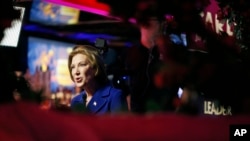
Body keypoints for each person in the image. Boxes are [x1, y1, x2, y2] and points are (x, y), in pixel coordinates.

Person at [68, 45, 128, 114]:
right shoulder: (75, 101)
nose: (76, 72)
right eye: (73, 67)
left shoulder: (115, 96)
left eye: (82, 65)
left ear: (95, 68)